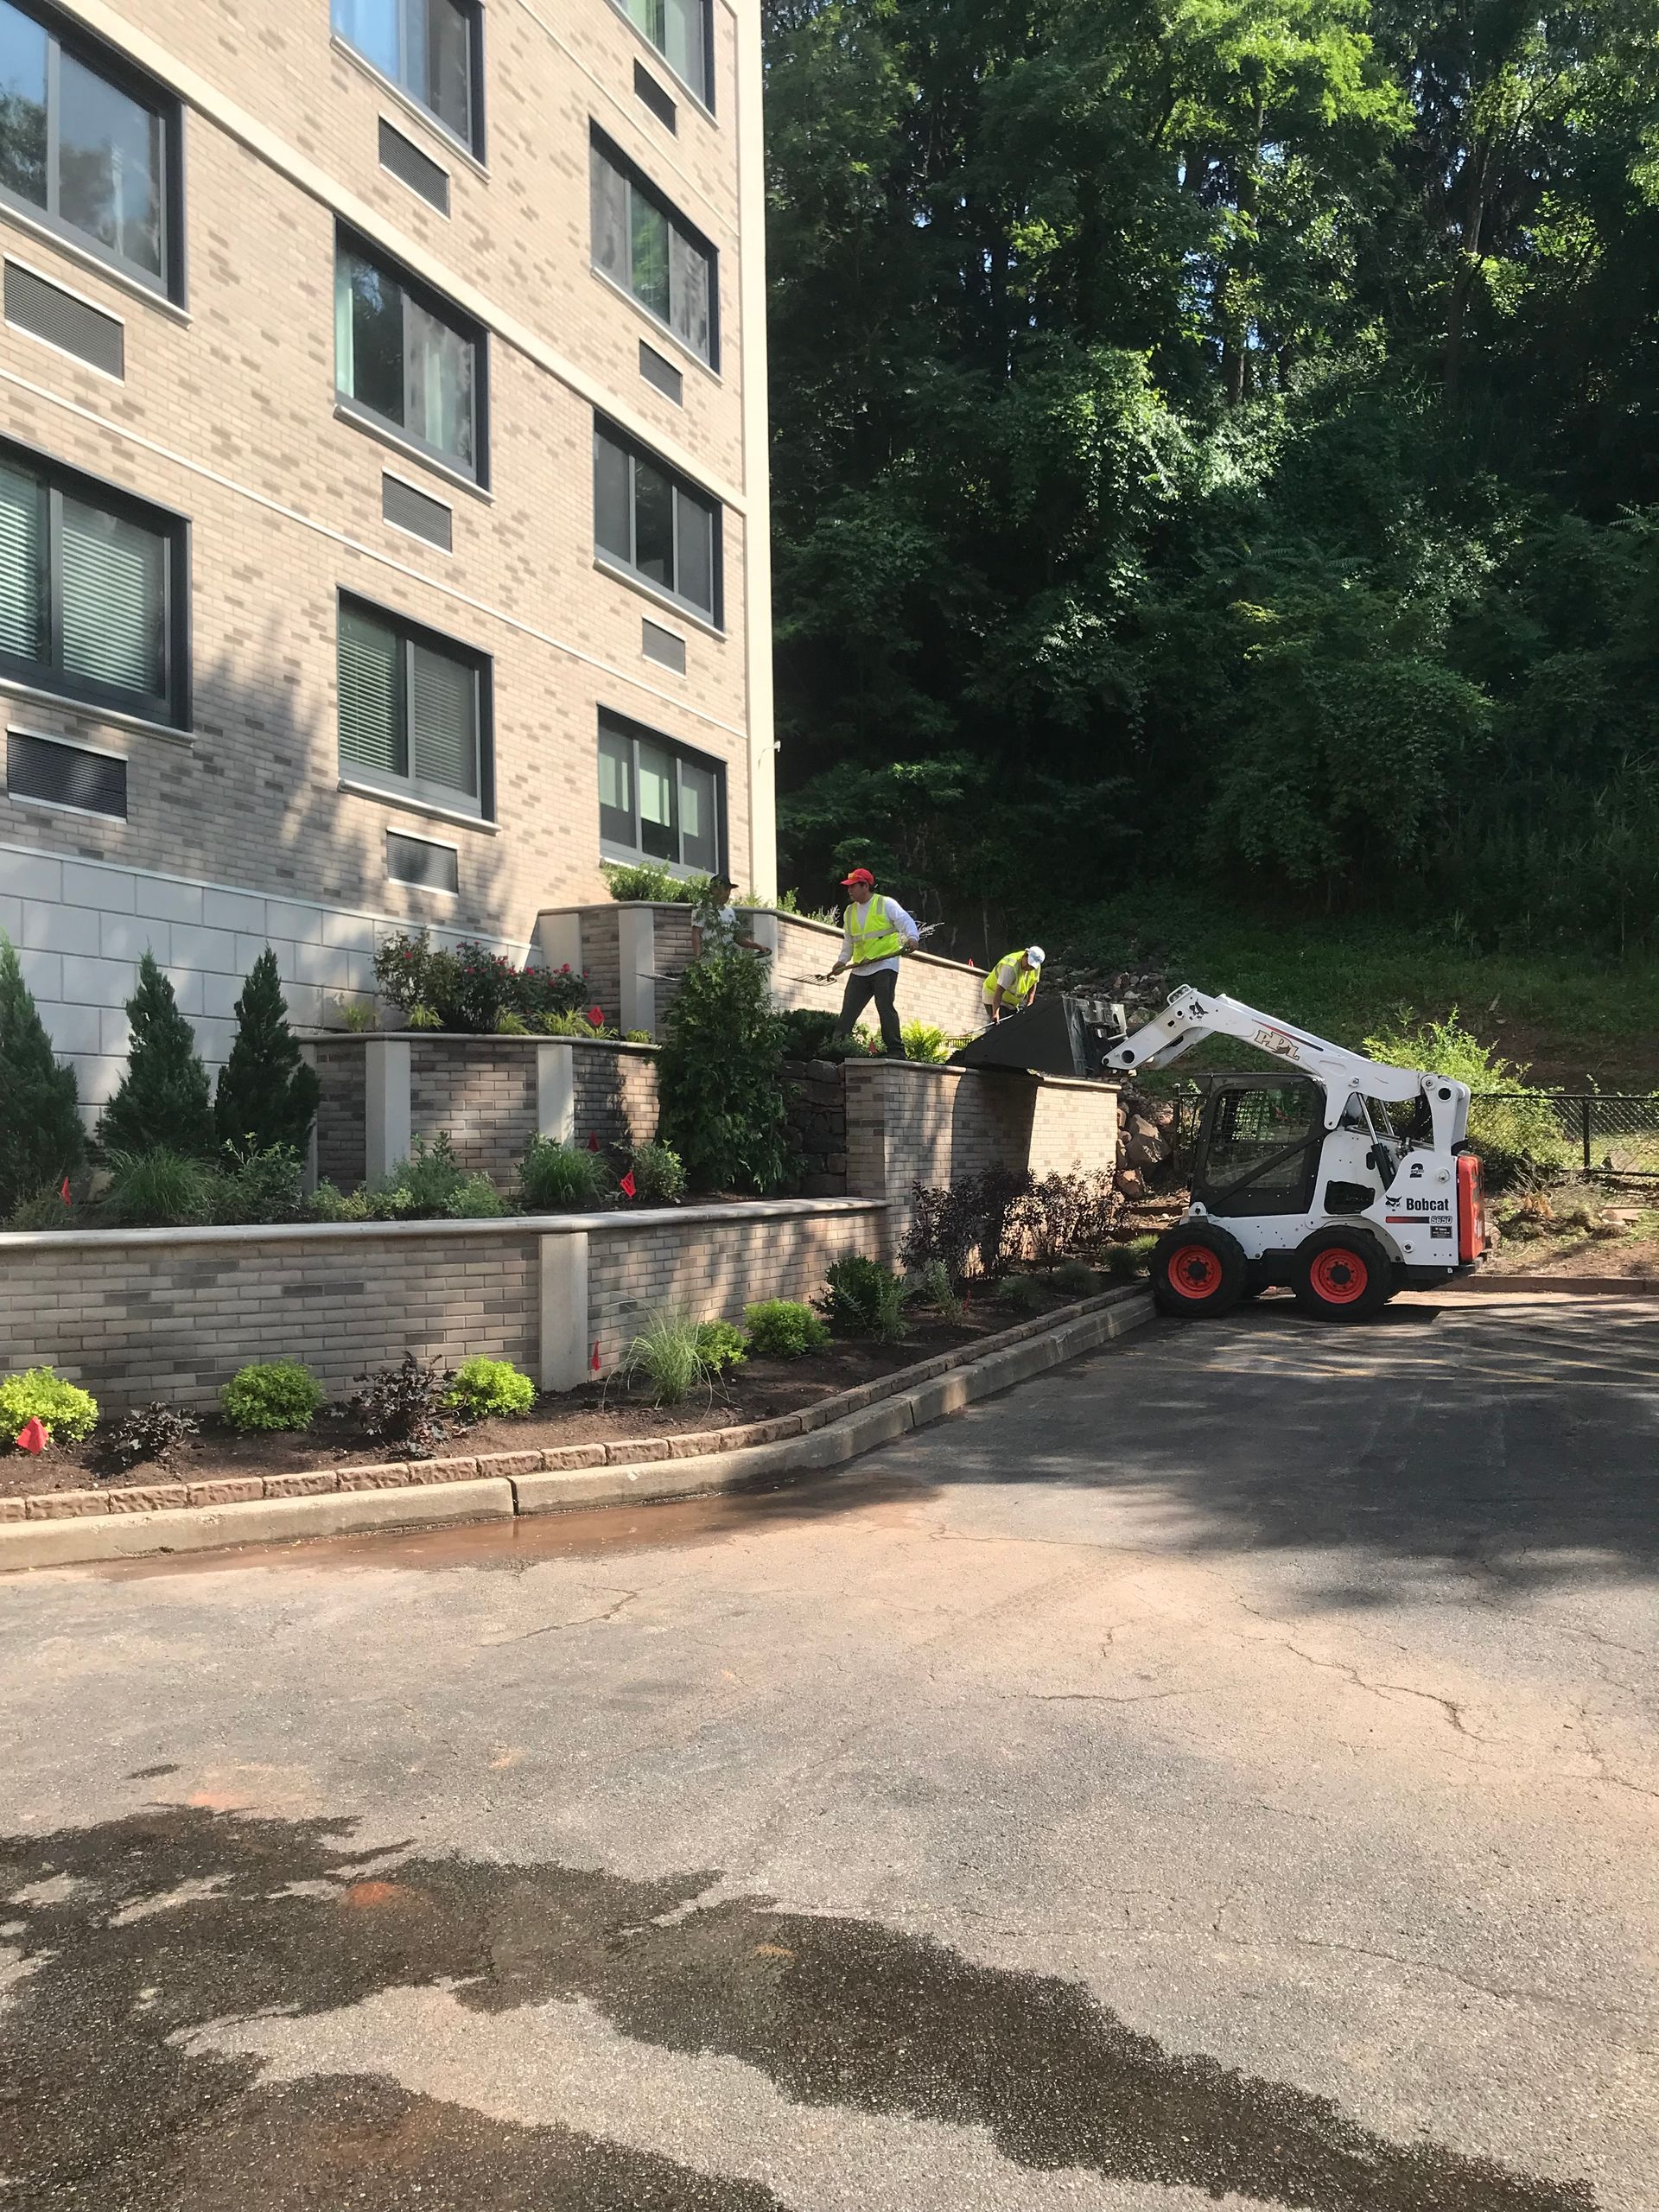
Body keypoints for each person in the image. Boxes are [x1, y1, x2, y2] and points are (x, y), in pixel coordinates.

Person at [828, 868, 919, 1056]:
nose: (849, 890)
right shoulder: (849, 911)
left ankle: (896, 1050)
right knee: (848, 1010)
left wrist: (912, 937)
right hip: (861, 968)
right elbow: (849, 941)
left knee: (884, 1006)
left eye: (853, 886)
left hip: (885, 965)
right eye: (848, 887)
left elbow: (905, 920)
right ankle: (836, 1049)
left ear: (865, 886)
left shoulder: (885, 903)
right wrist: (842, 961)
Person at [690, 874, 760, 958]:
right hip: (710, 960)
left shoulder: (730, 911)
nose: (727, 893)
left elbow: (737, 937)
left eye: (729, 890)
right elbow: (696, 934)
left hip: (727, 961)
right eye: (725, 889)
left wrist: (756, 946)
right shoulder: (702, 907)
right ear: (714, 890)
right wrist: (698, 959)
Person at [982, 944, 1046, 1024]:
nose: (1029, 968)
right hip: (993, 995)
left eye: (1032, 967)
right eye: (1028, 965)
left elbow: (1033, 983)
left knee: (1013, 1026)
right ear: (1025, 955)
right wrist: (995, 1014)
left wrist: (1029, 1004)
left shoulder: (1035, 967)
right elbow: (999, 992)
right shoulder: (1010, 968)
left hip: (1011, 1003)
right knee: (1001, 1027)